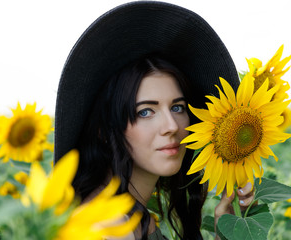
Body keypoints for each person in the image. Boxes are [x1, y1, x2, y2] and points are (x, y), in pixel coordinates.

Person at [54, 2, 254, 240]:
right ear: (104, 130)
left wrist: (231, 231)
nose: (171, 126)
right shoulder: (106, 227)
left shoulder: (132, 217)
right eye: (145, 112)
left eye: (178, 107)